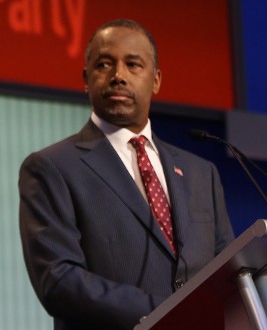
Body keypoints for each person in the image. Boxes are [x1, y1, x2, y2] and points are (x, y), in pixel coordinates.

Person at [18, 19, 235, 330]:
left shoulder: (202, 173)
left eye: (134, 65)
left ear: (156, 80)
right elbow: (58, 279)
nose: (118, 76)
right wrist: (168, 313)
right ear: (85, 79)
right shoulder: (52, 167)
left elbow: (228, 272)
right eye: (105, 64)